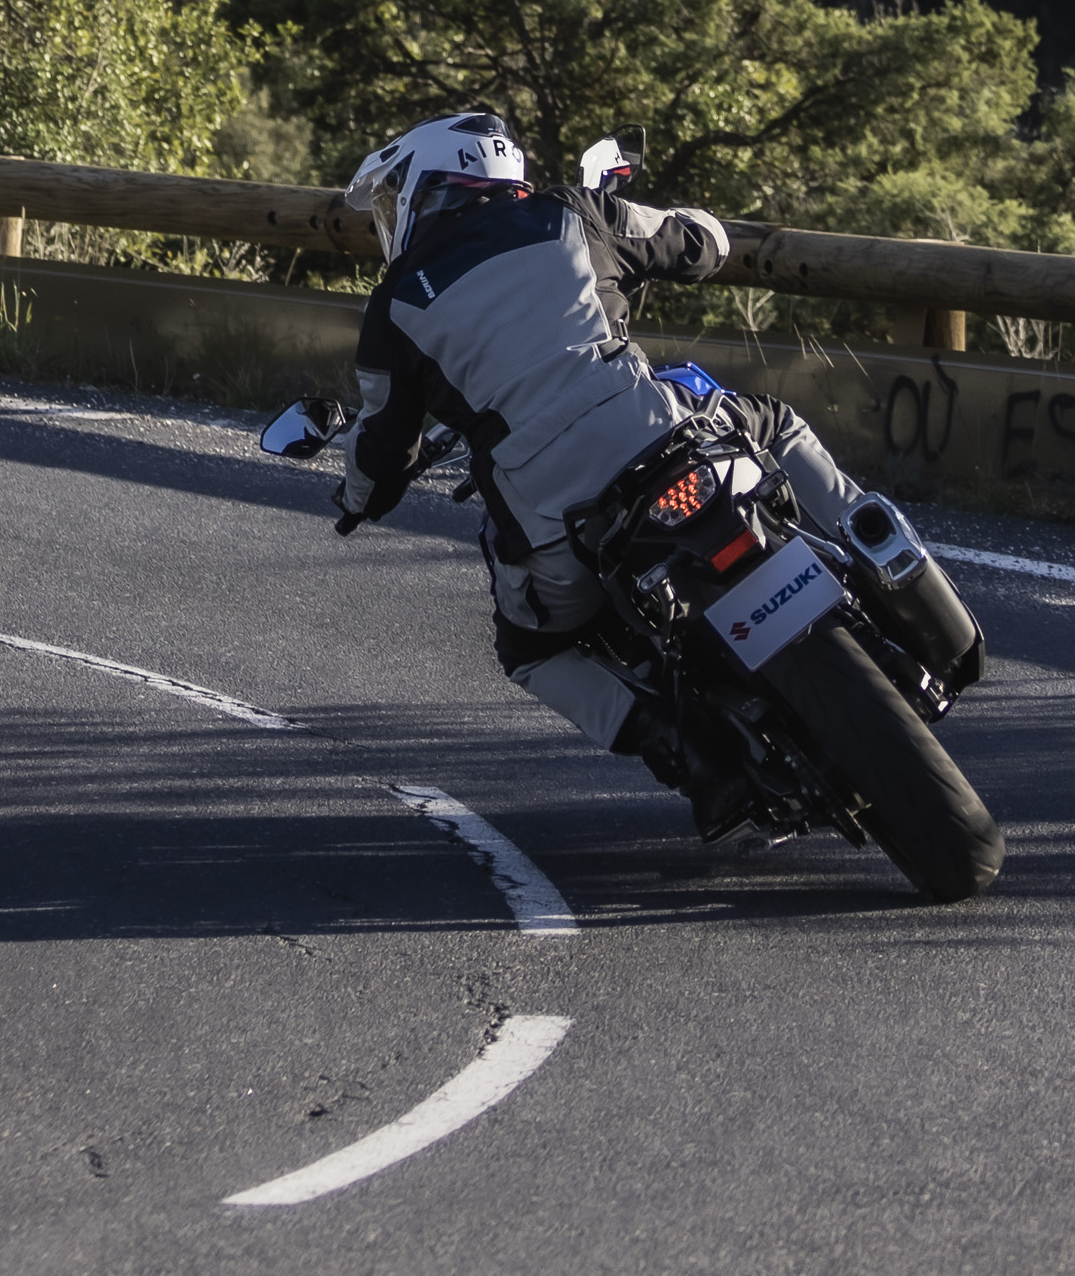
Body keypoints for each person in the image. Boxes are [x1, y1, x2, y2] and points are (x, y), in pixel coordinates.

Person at [326, 109, 975, 817]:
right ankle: (896, 571)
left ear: (431, 185)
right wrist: (684, 226)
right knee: (779, 427)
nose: (391, 216)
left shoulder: (395, 304)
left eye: (393, 199)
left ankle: (691, 755)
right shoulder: (574, 212)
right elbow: (704, 244)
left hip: (558, 525)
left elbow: (380, 450)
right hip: (665, 441)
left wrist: (354, 502)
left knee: (530, 653)